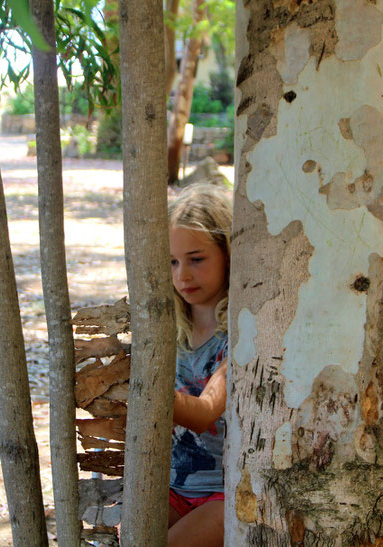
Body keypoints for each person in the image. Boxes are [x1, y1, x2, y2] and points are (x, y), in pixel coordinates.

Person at [166, 183, 232, 546]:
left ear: (227, 254)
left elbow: (205, 412)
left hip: (225, 494)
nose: (183, 276)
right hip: (173, 484)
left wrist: (134, 390)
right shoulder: (168, 330)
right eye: (173, 262)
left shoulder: (239, 334)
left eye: (196, 259)